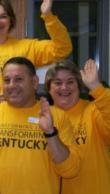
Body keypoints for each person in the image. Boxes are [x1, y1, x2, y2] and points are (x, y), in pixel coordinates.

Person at [0, 57, 80, 194]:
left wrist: (50, 132)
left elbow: (70, 170)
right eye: (7, 80)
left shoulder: (57, 116)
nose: (12, 85)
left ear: (35, 82)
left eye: (19, 79)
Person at [0, 0, 72, 108]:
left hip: (22, 120)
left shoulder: (26, 48)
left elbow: (63, 48)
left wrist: (48, 16)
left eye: (3, 17)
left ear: (11, 21)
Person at [44, 59, 110, 194]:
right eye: (58, 83)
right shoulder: (42, 118)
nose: (64, 87)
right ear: (48, 88)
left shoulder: (93, 111)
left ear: (79, 86)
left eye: (70, 82)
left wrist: (97, 88)